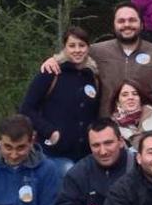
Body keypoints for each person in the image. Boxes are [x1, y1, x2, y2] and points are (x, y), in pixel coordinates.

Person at [42, 2, 152, 118]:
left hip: (148, 129)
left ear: (142, 25)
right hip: (106, 127)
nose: (126, 25)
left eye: (132, 20)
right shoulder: (96, 51)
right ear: (114, 25)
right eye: (121, 21)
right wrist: (54, 60)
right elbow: (73, 54)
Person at [20, 26, 99, 177]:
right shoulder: (51, 72)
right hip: (55, 152)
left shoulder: (93, 77)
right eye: (72, 45)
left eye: (81, 45)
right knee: (68, 174)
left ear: (88, 48)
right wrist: (50, 132)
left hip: (85, 153)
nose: (77, 50)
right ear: (64, 48)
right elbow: (27, 109)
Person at [109, 80, 152, 145]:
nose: (130, 97)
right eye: (125, 95)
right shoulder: (113, 126)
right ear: (117, 101)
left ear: (141, 98)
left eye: (135, 94)